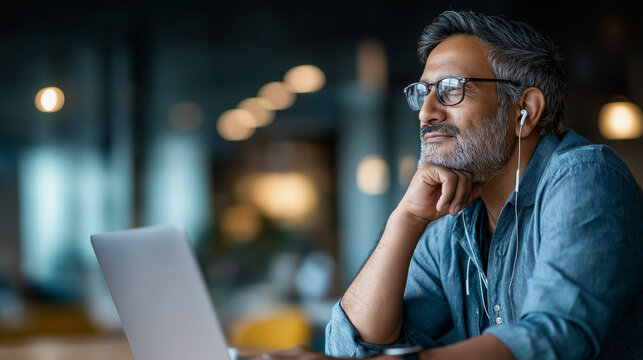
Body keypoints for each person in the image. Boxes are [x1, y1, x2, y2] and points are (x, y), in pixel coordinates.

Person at [260, 10, 643, 360]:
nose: (427, 111)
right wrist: (405, 219)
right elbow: (352, 347)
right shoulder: (450, 226)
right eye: (423, 92)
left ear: (524, 111)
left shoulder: (584, 176)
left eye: (452, 88)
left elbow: (555, 339)